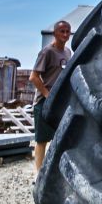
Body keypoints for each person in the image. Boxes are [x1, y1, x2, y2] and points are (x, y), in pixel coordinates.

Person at [30, 20, 72, 171]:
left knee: (58, 138)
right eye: (62, 31)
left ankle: (53, 171)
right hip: (44, 102)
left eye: (67, 31)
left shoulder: (68, 53)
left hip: (59, 103)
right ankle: (38, 174)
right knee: (41, 140)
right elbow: (33, 77)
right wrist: (48, 95)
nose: (65, 34)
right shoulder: (47, 52)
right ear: (55, 33)